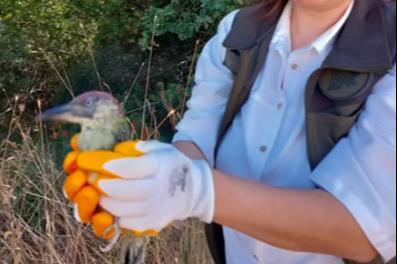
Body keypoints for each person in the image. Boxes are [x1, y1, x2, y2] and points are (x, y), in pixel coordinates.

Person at [66, 0, 396, 263]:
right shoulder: (236, 31)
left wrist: (191, 189)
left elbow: (363, 232)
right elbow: (198, 136)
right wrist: (139, 177)